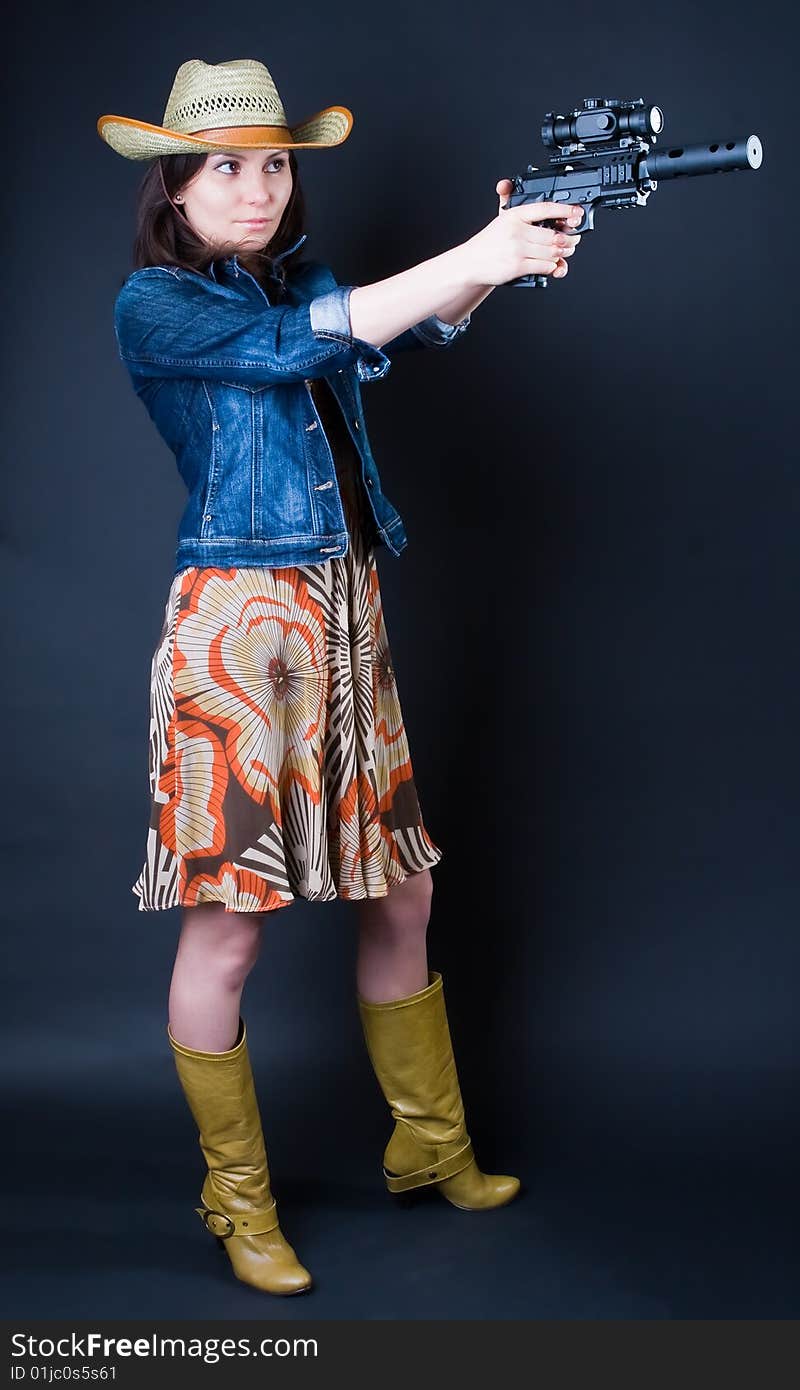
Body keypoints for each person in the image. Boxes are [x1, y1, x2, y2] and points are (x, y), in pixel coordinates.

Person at [97, 56, 583, 1297]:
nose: (255, 189)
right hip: (240, 628)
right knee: (232, 926)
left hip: (346, 612)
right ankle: (237, 1201)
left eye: (274, 164)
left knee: (403, 896)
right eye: (225, 166)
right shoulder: (154, 306)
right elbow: (301, 343)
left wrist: (502, 256)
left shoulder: (305, 277)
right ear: (175, 185)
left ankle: (432, 1149)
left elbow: (380, 325)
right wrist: (472, 251)